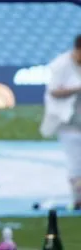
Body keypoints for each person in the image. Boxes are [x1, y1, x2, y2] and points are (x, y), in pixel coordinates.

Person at [40, 34, 81, 209]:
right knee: (75, 163)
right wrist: (76, 89)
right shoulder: (61, 65)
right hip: (67, 121)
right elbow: (53, 91)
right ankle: (77, 198)